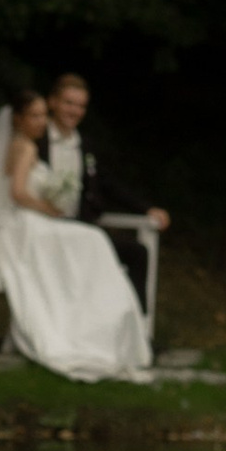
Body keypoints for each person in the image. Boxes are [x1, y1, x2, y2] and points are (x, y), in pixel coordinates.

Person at [0, 89, 151, 381]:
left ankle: (100, 325)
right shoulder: (28, 147)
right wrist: (47, 207)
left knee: (89, 240)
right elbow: (18, 192)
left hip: (20, 224)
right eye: (35, 115)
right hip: (24, 223)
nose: (42, 121)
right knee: (90, 241)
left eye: (43, 115)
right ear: (18, 119)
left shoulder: (18, 145)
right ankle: (87, 329)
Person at [41, 75, 170, 312]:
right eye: (69, 103)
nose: (75, 111)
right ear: (53, 102)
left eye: (81, 106)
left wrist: (146, 208)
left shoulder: (85, 144)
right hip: (46, 233)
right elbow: (4, 159)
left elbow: (108, 184)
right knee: (96, 251)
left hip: (82, 230)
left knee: (137, 253)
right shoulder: (38, 141)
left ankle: (138, 332)